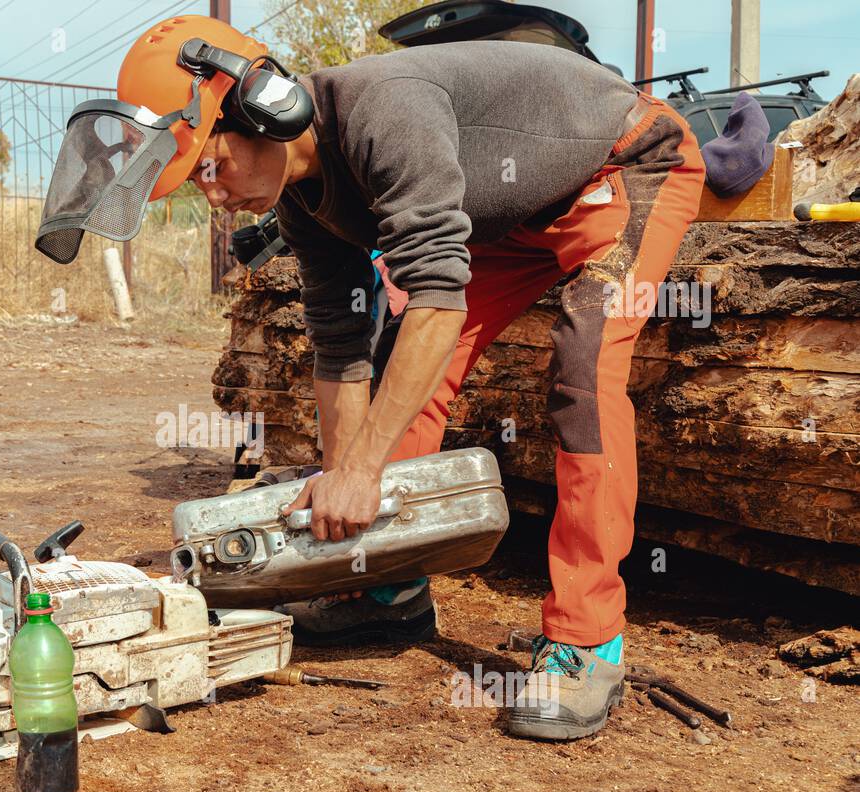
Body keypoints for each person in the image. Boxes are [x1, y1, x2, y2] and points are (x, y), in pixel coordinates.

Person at [35, 15, 706, 740]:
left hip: (627, 164)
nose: (216, 198)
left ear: (266, 106)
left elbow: (438, 302)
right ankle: (388, 584)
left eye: (210, 167)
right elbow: (339, 343)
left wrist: (360, 469)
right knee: (402, 372)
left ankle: (587, 642)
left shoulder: (386, 111)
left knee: (584, 370)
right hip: (511, 217)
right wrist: (342, 487)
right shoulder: (302, 199)